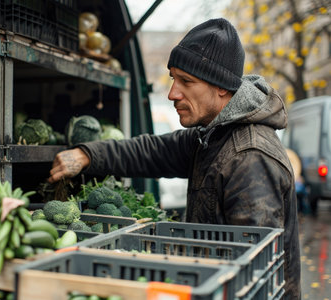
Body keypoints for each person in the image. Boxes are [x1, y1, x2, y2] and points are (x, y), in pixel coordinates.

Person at [48, 18, 300, 299]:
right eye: (173, 79)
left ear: (221, 87)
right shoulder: (213, 135)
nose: (172, 93)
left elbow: (255, 275)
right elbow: (153, 151)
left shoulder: (248, 157)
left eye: (186, 82)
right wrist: (88, 154)